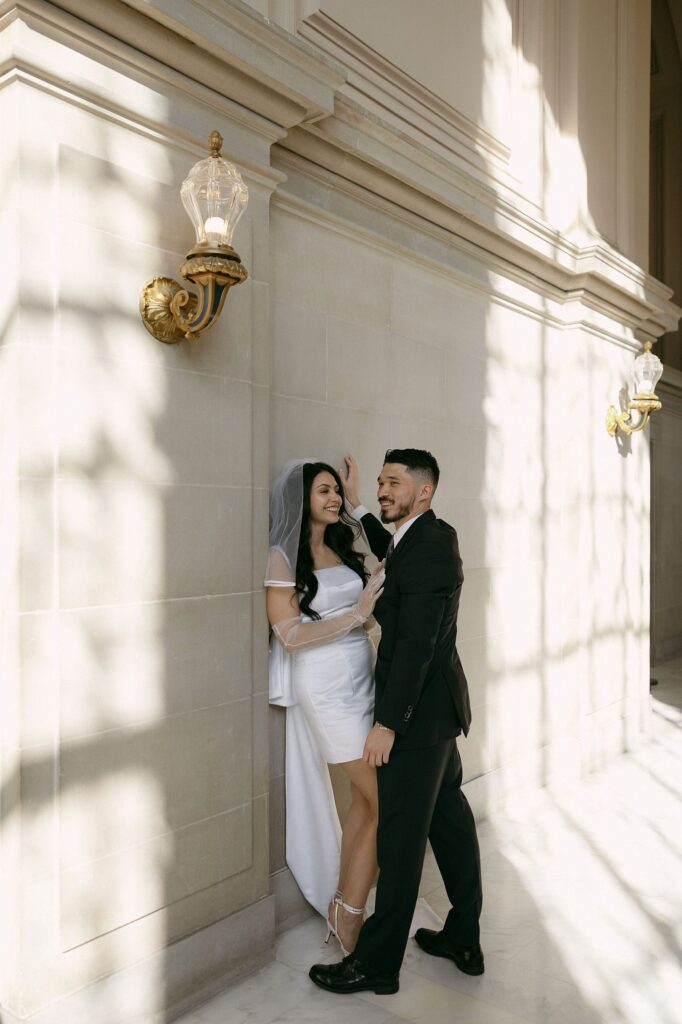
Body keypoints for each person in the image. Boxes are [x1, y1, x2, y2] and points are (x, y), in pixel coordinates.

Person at [309, 449, 483, 996]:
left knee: (401, 838)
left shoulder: (427, 548)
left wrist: (388, 723)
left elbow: (416, 646)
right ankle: (464, 936)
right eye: (381, 482)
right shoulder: (423, 539)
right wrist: (359, 505)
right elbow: (392, 554)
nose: (383, 491)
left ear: (424, 491)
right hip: (439, 715)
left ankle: (378, 964)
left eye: (393, 484)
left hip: (418, 719)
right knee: (449, 822)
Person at [265, 459, 385, 955]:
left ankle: (345, 907)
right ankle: (350, 913)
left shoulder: (342, 545)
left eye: (336, 490)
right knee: (385, 799)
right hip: (325, 688)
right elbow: (289, 635)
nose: (333, 498)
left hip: (363, 675)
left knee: (365, 802)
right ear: (301, 501)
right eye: (324, 492)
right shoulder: (280, 558)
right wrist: (355, 616)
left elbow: (391, 561)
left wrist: (358, 504)